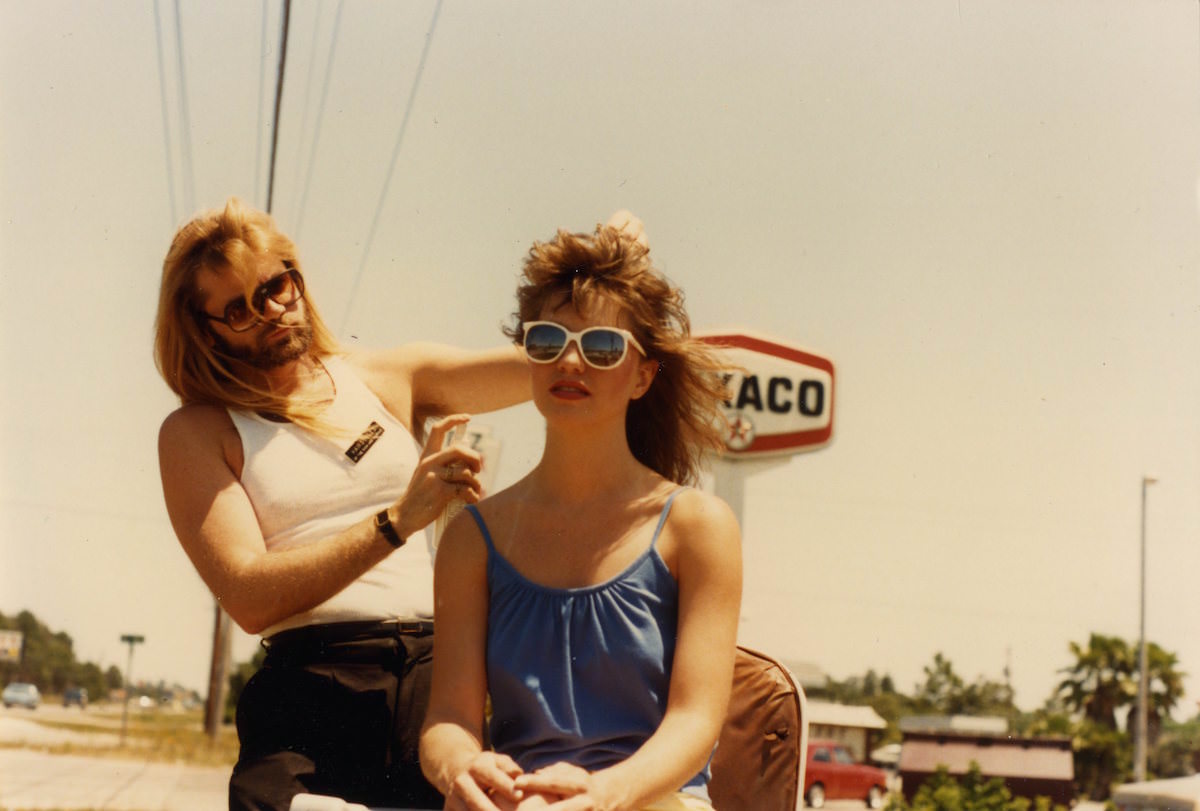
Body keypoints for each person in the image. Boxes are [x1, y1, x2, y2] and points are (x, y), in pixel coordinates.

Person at [154, 197, 642, 810]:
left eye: (276, 286)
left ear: (295, 274)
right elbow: (248, 596)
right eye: (238, 308)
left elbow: (548, 362)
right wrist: (397, 521)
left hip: (439, 680)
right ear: (205, 329)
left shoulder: (387, 377)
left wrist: (607, 278)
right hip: (313, 683)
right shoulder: (200, 431)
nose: (271, 312)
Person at [419, 223, 743, 811]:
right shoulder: (472, 536)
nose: (571, 360)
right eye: (547, 341)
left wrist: (605, 794)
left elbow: (696, 722)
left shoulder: (698, 527)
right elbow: (448, 718)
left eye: (601, 347)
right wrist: (462, 768)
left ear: (643, 374)